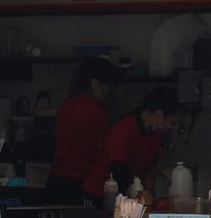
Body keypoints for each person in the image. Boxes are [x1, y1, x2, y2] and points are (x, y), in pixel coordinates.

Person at [82, 86, 181, 202]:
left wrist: (149, 198)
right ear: (159, 115)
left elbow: (151, 170)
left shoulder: (156, 134)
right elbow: (118, 173)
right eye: (172, 123)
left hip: (128, 195)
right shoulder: (123, 130)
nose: (171, 129)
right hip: (99, 195)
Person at [46, 57, 118, 205]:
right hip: (80, 185)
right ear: (94, 84)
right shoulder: (95, 111)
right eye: (106, 85)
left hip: (55, 181)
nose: (108, 91)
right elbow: (103, 152)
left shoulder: (66, 106)